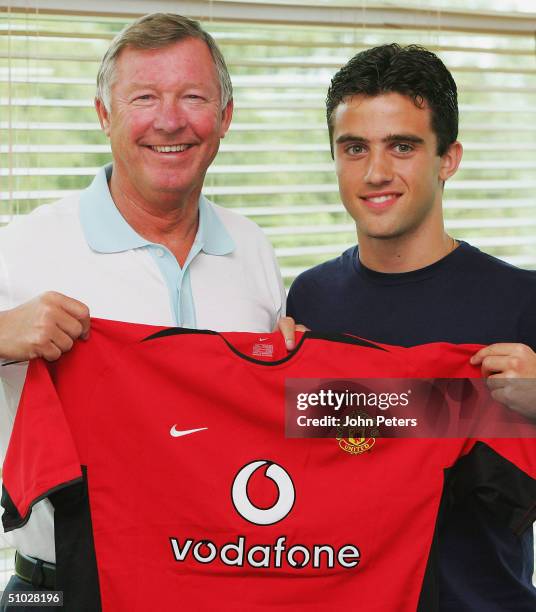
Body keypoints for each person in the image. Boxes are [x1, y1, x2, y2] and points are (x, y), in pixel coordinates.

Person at [0, 13, 285, 609]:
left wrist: (294, 373)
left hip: (224, 580)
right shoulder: (21, 246)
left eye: (193, 97)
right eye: (145, 97)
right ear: (106, 115)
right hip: (63, 591)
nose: (170, 120)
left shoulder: (254, 248)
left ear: (225, 117)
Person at [286, 44, 536, 610]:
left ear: (448, 158)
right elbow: (310, 472)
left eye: (402, 146)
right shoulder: (310, 298)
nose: (376, 172)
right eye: (354, 148)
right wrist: (281, 390)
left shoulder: (523, 300)